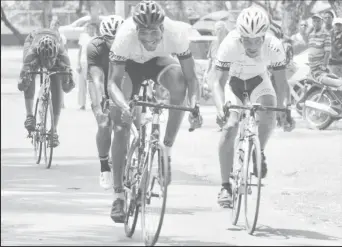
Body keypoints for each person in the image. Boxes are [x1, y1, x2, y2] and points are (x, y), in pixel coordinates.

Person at [107, 0, 203, 223]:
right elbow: (113, 83)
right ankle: (119, 195)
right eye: (143, 33)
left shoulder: (176, 33)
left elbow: (191, 78)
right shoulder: (124, 36)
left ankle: (166, 150)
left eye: (154, 33)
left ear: (162, 28)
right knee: (120, 126)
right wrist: (124, 106)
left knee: (179, 84)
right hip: (129, 67)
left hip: (158, 63)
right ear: (135, 29)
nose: (149, 39)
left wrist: (195, 106)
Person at [209, 6, 295, 207]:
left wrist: (285, 110)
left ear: (265, 36)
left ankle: (259, 151)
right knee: (230, 126)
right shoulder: (229, 44)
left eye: (258, 39)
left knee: (270, 106)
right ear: (240, 36)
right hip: (233, 83)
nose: (253, 44)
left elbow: (281, 84)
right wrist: (221, 107)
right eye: (247, 39)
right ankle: (225, 187)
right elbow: (217, 83)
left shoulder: (274, 45)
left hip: (258, 81)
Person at [17, 28, 75, 147]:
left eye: (51, 60)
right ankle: (29, 116)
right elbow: (21, 85)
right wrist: (24, 80)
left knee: (57, 82)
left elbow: (67, 88)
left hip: (56, 42)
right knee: (29, 76)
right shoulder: (32, 53)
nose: (48, 63)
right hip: (32, 40)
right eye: (45, 60)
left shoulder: (62, 55)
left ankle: (54, 130)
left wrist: (68, 81)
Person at [86, 15, 125, 190]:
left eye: (118, 38)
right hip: (99, 80)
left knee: (126, 119)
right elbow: (98, 78)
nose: (114, 42)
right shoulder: (94, 47)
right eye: (110, 39)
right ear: (103, 37)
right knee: (104, 122)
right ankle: (104, 167)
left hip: (119, 81)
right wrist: (103, 99)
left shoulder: (130, 45)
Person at [307, 14, 341, 88]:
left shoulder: (326, 34)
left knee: (330, 84)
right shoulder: (311, 35)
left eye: (318, 21)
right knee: (311, 86)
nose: (316, 23)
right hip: (312, 67)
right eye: (314, 21)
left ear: (322, 22)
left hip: (321, 67)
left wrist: (324, 66)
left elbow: (328, 52)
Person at [203, 21, 229, 98]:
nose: (218, 31)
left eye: (220, 29)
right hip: (215, 70)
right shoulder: (214, 42)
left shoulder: (229, 42)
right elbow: (210, 59)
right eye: (217, 29)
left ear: (224, 29)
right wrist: (206, 72)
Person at [77, 23, 97, 110]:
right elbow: (80, 51)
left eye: (92, 28)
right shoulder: (83, 37)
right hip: (83, 62)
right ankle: (82, 104)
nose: (91, 30)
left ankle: (93, 103)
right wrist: (78, 64)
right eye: (89, 28)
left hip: (92, 64)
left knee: (92, 85)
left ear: (95, 29)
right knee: (81, 85)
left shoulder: (96, 38)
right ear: (87, 29)